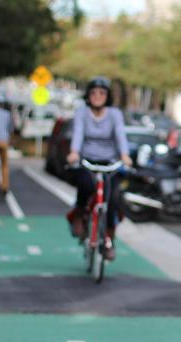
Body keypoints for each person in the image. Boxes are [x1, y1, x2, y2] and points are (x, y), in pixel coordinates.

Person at [66, 76, 132, 260]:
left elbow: (120, 135)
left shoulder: (114, 114)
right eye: (93, 93)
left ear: (107, 96)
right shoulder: (82, 113)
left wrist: (125, 156)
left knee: (112, 200)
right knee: (86, 185)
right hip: (86, 160)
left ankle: (109, 239)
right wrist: (74, 152)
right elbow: (78, 133)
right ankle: (79, 216)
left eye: (102, 93)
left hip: (110, 162)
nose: (97, 96)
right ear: (88, 95)